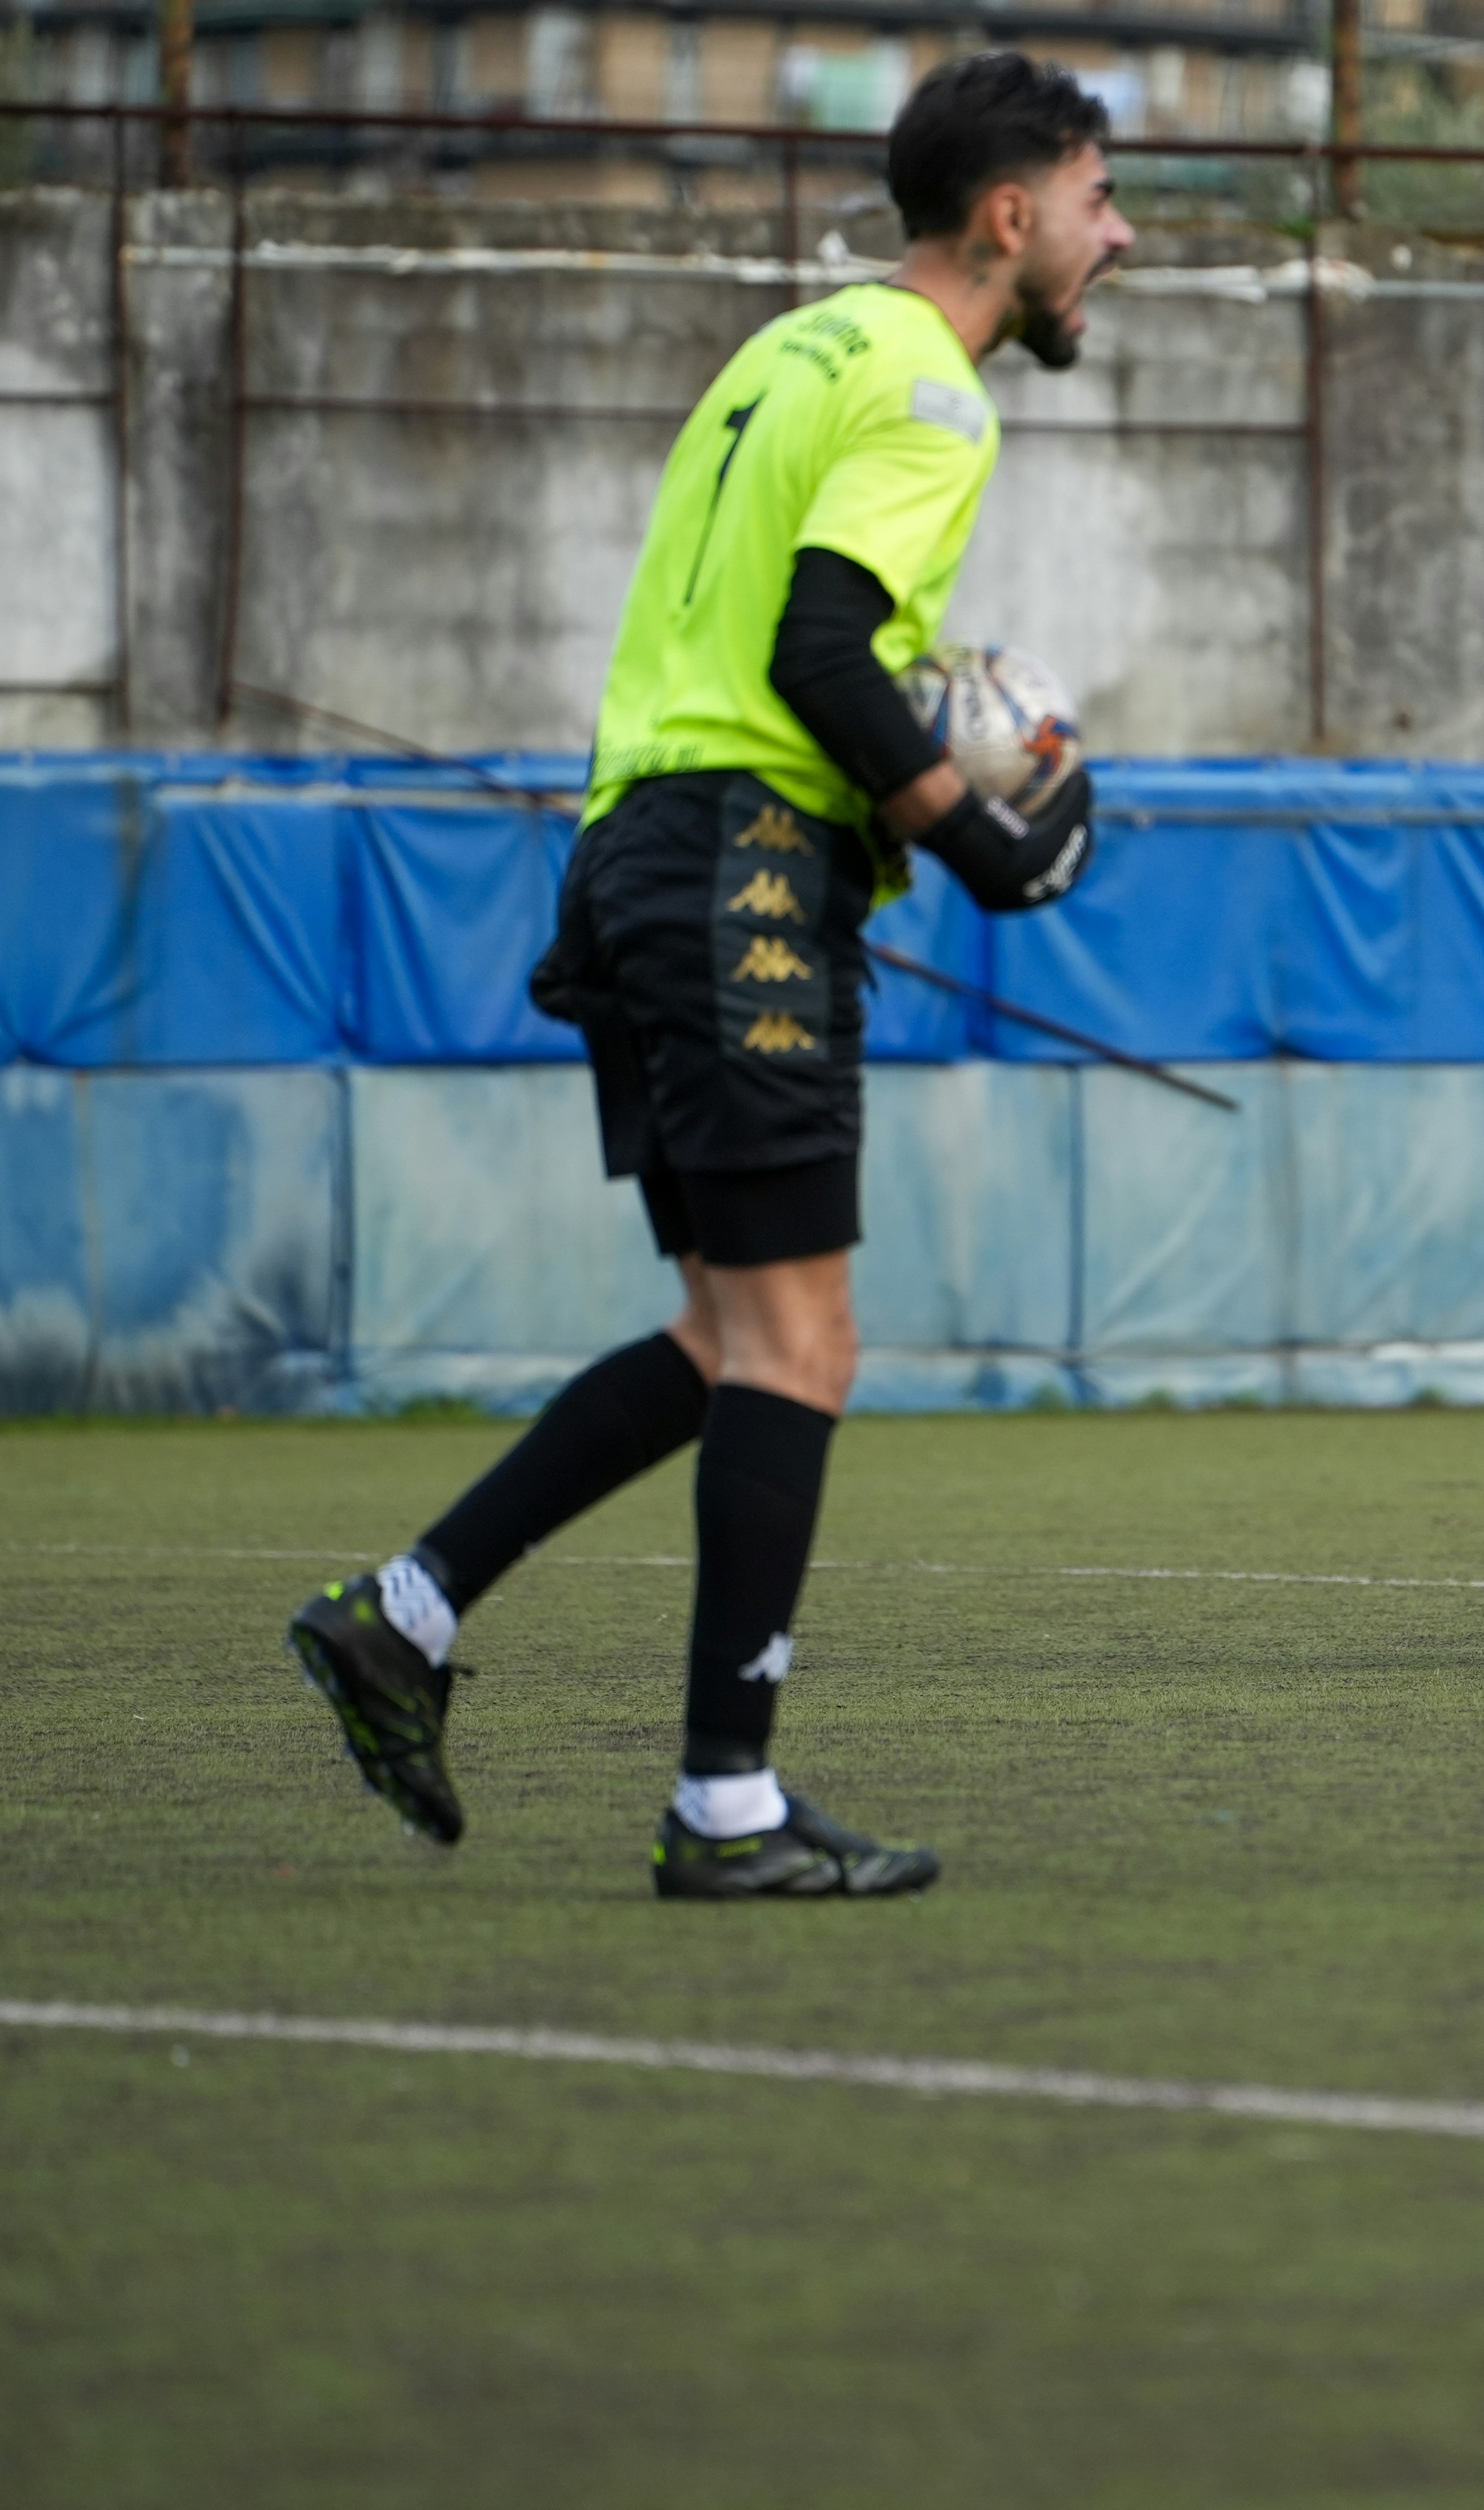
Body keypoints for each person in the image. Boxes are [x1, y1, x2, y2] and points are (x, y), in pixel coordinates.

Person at [284, 55, 1131, 1897]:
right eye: (1095, 194)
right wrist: (979, 844)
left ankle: (403, 1614)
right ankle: (725, 1805)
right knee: (804, 1346)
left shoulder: (799, 346)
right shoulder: (933, 389)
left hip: (637, 847)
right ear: (1010, 216)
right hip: (745, 860)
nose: (1113, 232)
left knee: (728, 1340)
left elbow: (777, 630)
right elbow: (821, 644)